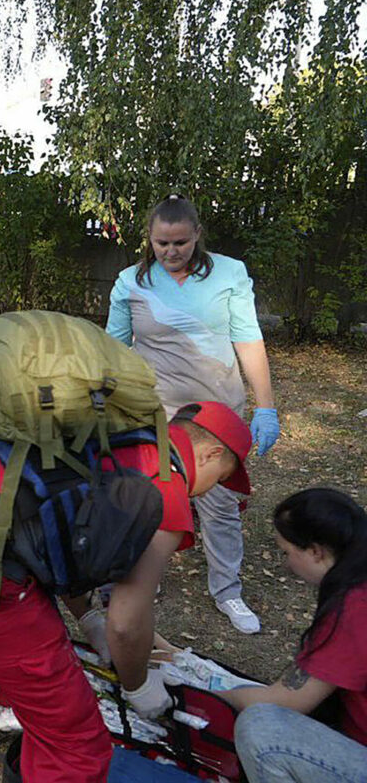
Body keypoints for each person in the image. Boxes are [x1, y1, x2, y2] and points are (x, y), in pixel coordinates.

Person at [0, 401, 254, 782]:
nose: (214, 490)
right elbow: (127, 620)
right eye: (222, 478)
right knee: (75, 742)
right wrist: (139, 685)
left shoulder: (121, 439)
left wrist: (89, 617)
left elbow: (64, 535)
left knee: (4, 634)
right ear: (211, 453)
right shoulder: (166, 489)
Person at [107, 194, 280, 635]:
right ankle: (140, 576)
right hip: (156, 412)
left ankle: (228, 591)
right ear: (149, 238)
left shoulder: (230, 274)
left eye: (180, 242)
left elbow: (248, 339)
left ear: (197, 235)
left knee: (220, 505)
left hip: (216, 415)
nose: (171, 251)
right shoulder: (130, 282)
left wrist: (265, 406)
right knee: (150, 498)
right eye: (162, 243)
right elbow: (112, 349)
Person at [216, 488, 367, 782]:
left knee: (262, 728)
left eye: (287, 552)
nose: (286, 564)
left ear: (315, 551)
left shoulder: (354, 607)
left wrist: (213, 695)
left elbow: (285, 701)